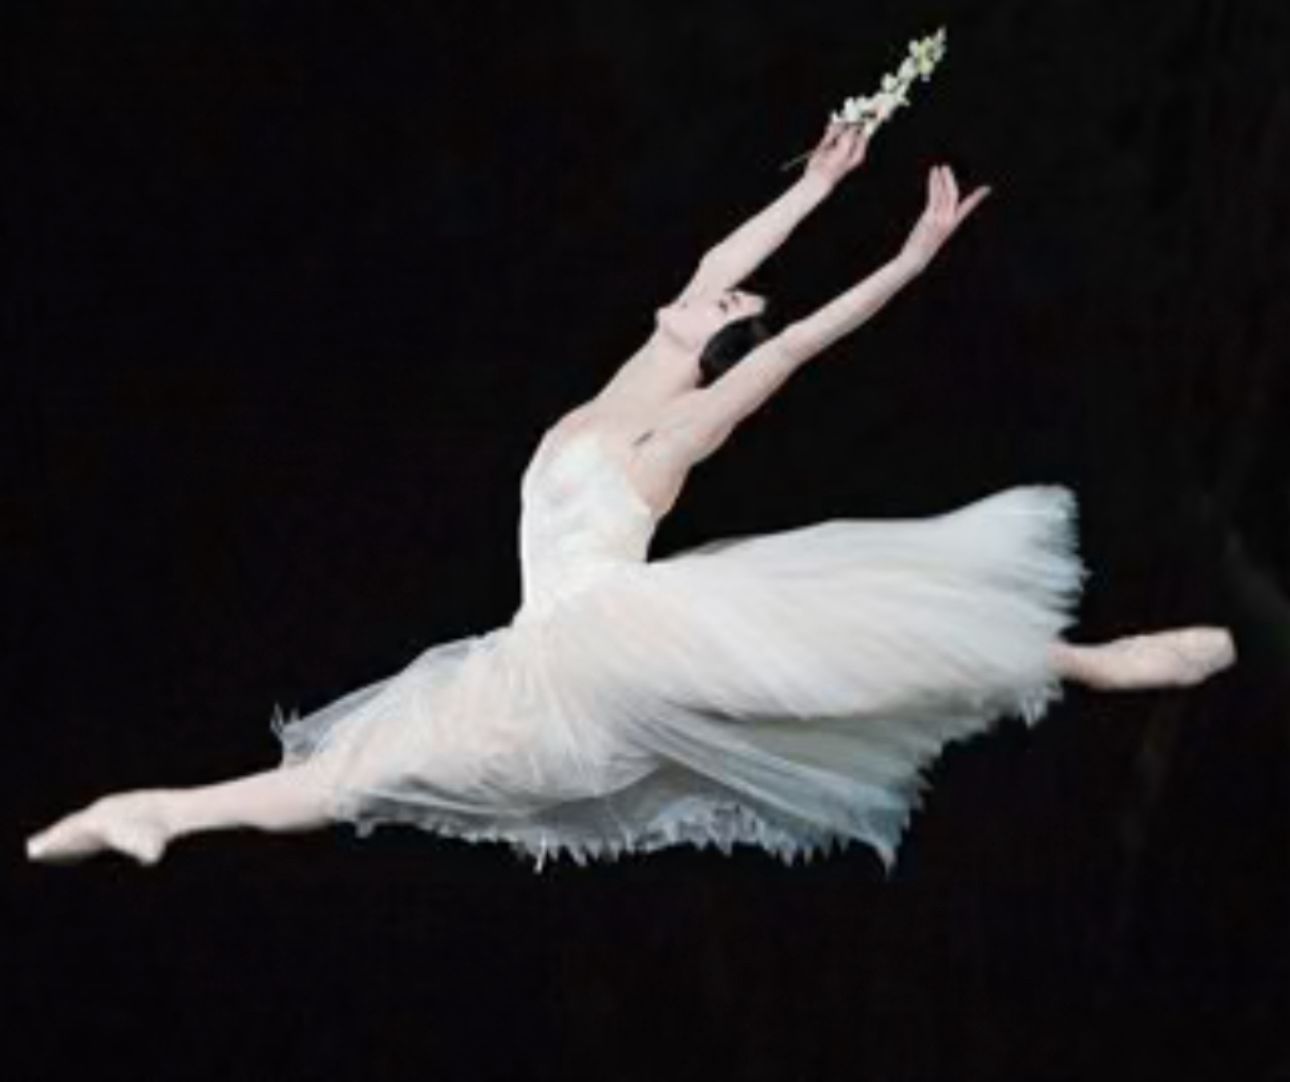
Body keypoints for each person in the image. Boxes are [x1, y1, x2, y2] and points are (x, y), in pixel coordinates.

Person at [25, 122, 1236, 875]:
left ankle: (1081, 661)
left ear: (705, 351)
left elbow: (791, 343)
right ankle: (159, 811)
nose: (716, 288)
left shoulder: (666, 439)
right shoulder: (632, 376)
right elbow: (720, 266)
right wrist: (820, 182)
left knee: (843, 652)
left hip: (610, 652)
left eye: (718, 310)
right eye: (718, 296)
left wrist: (907, 260)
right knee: (354, 775)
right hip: (529, 671)